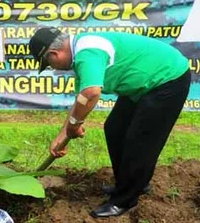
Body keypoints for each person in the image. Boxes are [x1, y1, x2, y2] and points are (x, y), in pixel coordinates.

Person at [29, 28, 191, 218]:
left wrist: (74, 125)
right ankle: (130, 183)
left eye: (49, 64)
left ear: (54, 54)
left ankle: (125, 199)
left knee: (139, 140)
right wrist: (63, 134)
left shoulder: (87, 53)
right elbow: (80, 100)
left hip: (167, 79)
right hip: (144, 82)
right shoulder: (80, 53)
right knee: (115, 128)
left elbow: (91, 93)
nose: (53, 67)